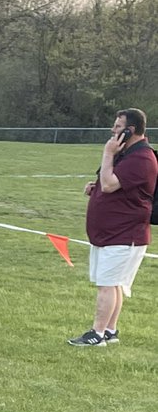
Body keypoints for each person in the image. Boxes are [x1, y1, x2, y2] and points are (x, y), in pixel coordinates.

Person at [68, 107, 157, 346]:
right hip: (112, 232)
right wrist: (94, 185)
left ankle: (96, 335)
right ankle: (109, 330)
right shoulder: (128, 154)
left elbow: (109, 185)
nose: (112, 131)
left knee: (107, 285)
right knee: (113, 284)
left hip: (124, 234)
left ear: (131, 130)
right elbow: (109, 184)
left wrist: (107, 153)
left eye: (117, 127)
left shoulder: (141, 157)